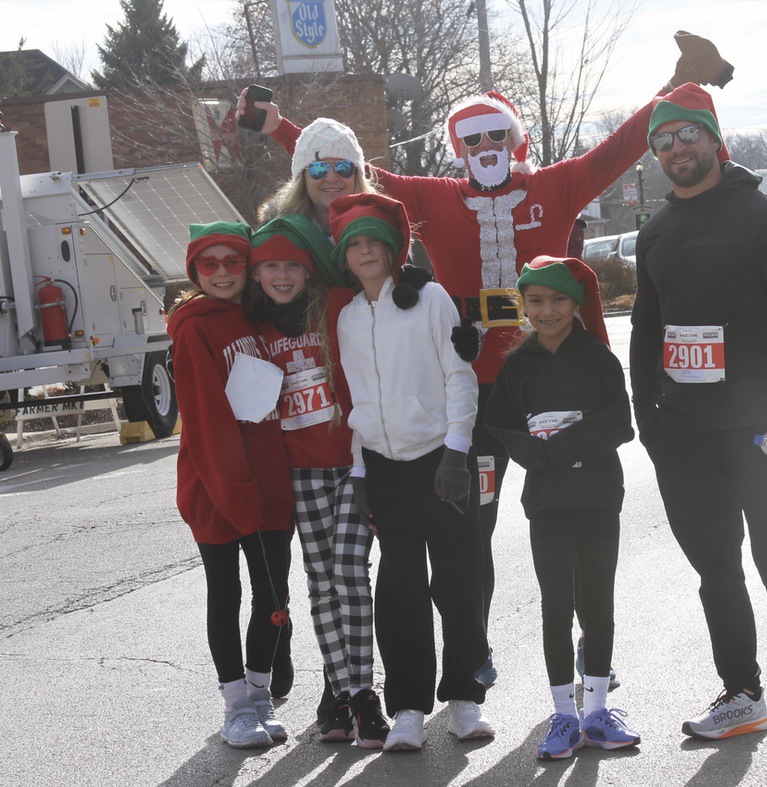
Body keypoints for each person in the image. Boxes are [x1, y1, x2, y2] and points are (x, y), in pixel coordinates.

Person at [238, 45, 733, 677]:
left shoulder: (558, 185)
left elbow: (623, 145)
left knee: (577, 516)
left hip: (556, 383)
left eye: (499, 134)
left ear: (516, 140)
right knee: (470, 529)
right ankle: (473, 650)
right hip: (472, 395)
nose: (487, 146)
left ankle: (592, 647)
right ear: (459, 149)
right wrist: (280, 128)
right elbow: (345, 174)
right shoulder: (436, 197)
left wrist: (681, 80)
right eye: (474, 139)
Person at [629, 84, 767, 750]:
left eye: (688, 135)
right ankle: (742, 695)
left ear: (715, 142)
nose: (676, 149)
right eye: (664, 141)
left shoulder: (761, 217)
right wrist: (653, 428)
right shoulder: (655, 232)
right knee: (716, 570)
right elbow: (644, 338)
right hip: (685, 437)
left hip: (761, 431)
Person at [331, 192, 493, 750]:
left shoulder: (430, 299)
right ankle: (406, 706)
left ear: (393, 247)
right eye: (355, 244)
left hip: (439, 460)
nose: (365, 251)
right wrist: (358, 473)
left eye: (374, 241)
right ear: (345, 256)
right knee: (398, 588)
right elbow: (355, 398)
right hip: (383, 468)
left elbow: (459, 375)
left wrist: (456, 450)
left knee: (458, 580)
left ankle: (466, 697)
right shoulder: (349, 318)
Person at [484, 256, 639, 760]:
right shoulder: (516, 366)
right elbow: (501, 425)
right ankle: (563, 716)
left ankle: (596, 711)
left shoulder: (598, 358)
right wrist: (537, 455)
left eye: (557, 300)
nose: (546, 311)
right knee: (556, 605)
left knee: (598, 602)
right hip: (546, 502)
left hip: (597, 498)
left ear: (575, 304)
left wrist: (563, 447)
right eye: (535, 301)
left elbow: (620, 423)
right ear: (523, 305)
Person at [245, 214, 391, 747]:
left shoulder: (332, 306)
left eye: (292, 265)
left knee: (351, 574)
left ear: (308, 271)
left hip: (352, 462)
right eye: (270, 267)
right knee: (321, 585)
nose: (282, 275)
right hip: (299, 474)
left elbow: (378, 282)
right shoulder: (255, 330)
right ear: (256, 274)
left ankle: (363, 695)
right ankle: (348, 694)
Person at [167, 222, 294, 749]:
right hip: (218, 492)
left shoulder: (261, 318)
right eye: (209, 264)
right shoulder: (193, 327)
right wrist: (237, 494)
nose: (222, 273)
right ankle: (235, 706)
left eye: (233, 262)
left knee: (274, 596)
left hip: (269, 487)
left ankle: (261, 697)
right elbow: (206, 421)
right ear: (194, 272)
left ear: (249, 267)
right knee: (227, 594)